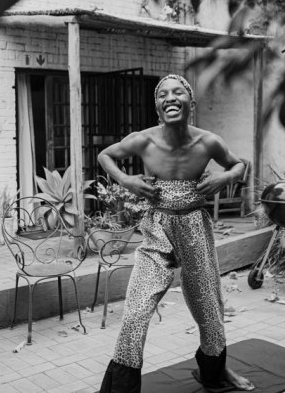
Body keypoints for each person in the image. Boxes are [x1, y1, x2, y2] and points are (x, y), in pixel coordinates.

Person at [96, 74, 255, 393]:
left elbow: (239, 165)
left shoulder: (208, 141)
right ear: (157, 107)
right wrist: (127, 181)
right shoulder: (143, 139)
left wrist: (224, 179)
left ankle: (215, 373)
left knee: (210, 309)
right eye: (163, 94)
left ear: (191, 103)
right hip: (157, 229)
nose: (170, 97)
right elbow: (105, 156)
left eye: (178, 92)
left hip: (196, 230)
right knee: (136, 311)